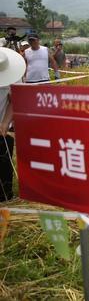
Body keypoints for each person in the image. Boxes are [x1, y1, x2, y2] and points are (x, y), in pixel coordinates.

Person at [0, 47, 27, 201]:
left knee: (4, 167)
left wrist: (5, 122)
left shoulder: (14, 74)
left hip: (3, 131)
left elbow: (13, 100)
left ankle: (5, 199)